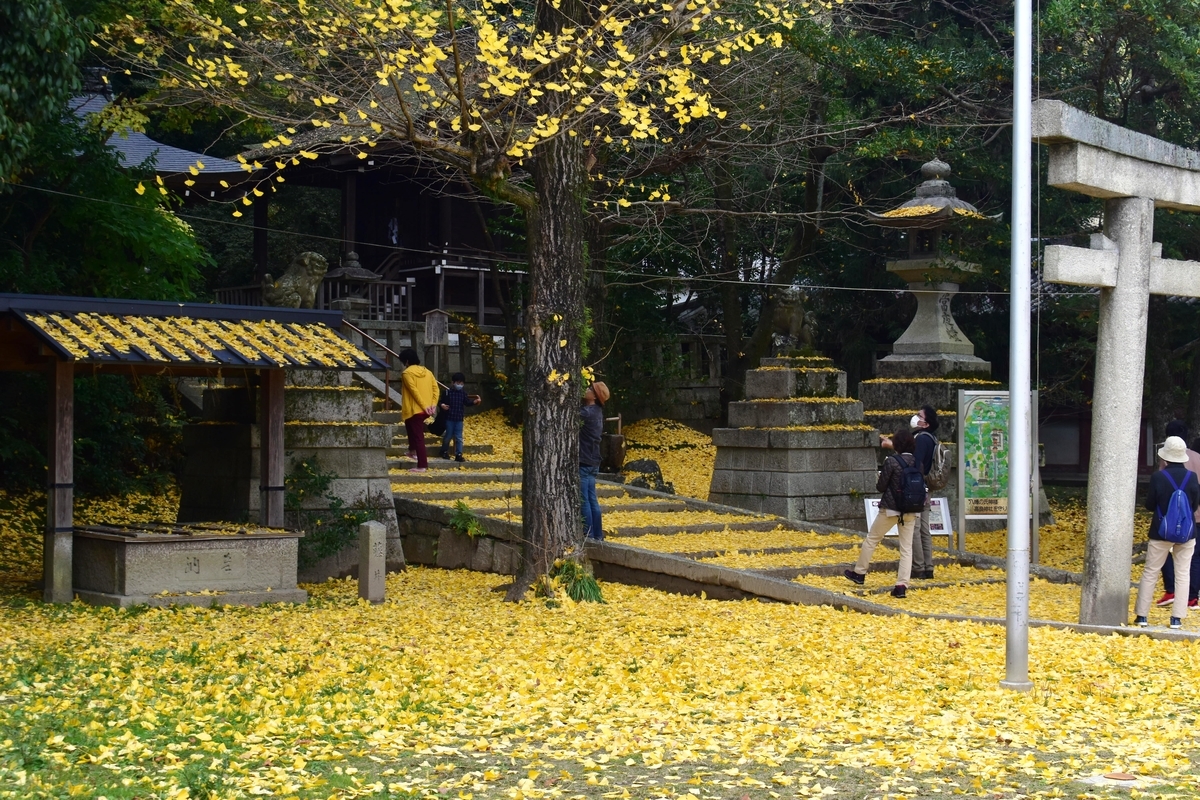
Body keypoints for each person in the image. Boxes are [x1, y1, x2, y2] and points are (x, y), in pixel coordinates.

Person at [845, 427, 922, 598]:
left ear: (897, 445)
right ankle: (901, 585)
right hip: (911, 509)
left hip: (890, 508)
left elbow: (880, 486)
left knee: (872, 539)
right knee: (906, 548)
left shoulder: (892, 462)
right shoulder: (917, 463)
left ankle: (859, 572)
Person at [1133, 435, 1200, 629]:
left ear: (1164, 458)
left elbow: (1149, 505)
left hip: (1161, 532)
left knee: (1151, 572)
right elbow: (1194, 504)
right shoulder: (1192, 477)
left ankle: (1142, 616)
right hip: (1187, 534)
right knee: (1183, 573)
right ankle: (1177, 618)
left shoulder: (1158, 477)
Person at [1155, 420, 1200, 607]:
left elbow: (1162, 487)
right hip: (1196, 515)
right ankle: (1192, 596)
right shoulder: (1198, 457)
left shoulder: (1167, 460)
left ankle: (1172, 590)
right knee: (1196, 555)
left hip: (1171, 516)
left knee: (1164, 551)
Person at [398, 349, 438, 473]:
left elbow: (414, 391)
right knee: (409, 425)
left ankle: (422, 465)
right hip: (425, 409)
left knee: (418, 437)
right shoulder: (428, 372)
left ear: (407, 361)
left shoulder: (407, 373)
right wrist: (433, 405)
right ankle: (412, 451)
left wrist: (425, 405)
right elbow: (436, 389)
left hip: (415, 409)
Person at [580, 381, 609, 540]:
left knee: (584, 499)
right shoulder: (597, 412)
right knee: (592, 498)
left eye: (590, 389)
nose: (586, 389)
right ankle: (598, 534)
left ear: (594, 397)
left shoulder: (586, 413)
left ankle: (588, 535)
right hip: (593, 461)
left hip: (584, 460)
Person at [438, 372, 481, 462]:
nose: (460, 385)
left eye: (461, 384)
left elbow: (467, 403)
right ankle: (444, 451)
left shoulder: (463, 394)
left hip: (459, 419)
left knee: (459, 437)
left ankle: (459, 454)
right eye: (458, 383)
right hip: (449, 418)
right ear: (453, 383)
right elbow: (440, 402)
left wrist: (474, 402)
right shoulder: (447, 392)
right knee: (448, 436)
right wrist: (442, 405)